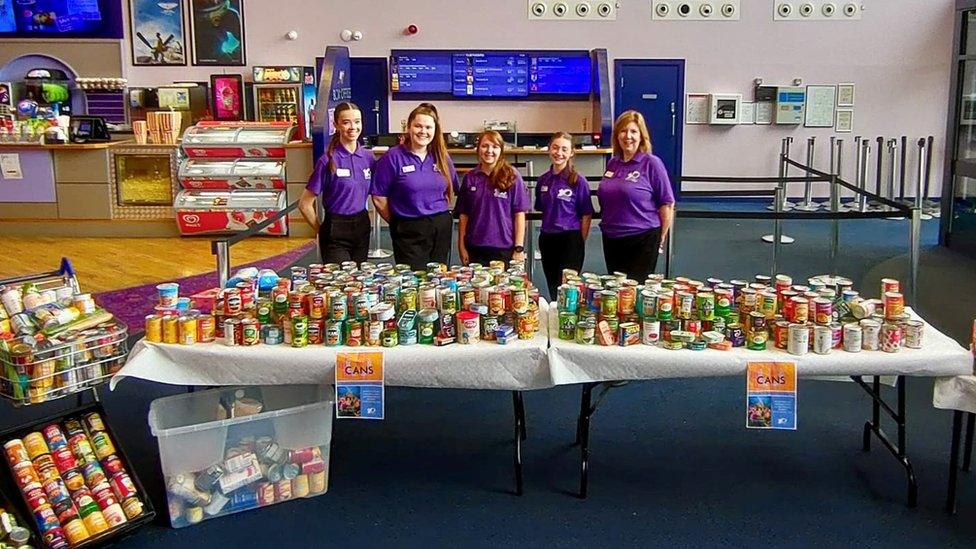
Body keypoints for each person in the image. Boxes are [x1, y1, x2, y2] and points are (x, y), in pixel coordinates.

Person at [372, 104, 457, 270]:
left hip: (440, 227)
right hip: (408, 228)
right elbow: (379, 197)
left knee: (438, 280)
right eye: (418, 126)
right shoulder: (393, 157)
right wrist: (398, 222)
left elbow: (450, 189)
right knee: (414, 281)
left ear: (435, 130)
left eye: (428, 127)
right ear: (408, 127)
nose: (423, 131)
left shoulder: (441, 156)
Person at [597, 110, 675, 282]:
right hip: (611, 237)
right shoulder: (613, 163)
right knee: (616, 293)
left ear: (641, 136)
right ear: (617, 136)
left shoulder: (652, 163)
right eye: (623, 131)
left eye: (633, 131)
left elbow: (667, 203)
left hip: (642, 238)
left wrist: (661, 236)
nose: (628, 136)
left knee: (635, 293)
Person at [299, 102, 374, 264]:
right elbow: (305, 204)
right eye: (346, 122)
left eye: (357, 121)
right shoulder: (327, 160)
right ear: (336, 125)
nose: (353, 127)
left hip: (362, 226)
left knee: (359, 281)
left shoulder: (368, 158)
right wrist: (322, 231)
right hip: (335, 228)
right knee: (341, 283)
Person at [535, 131, 594, 300]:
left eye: (564, 149)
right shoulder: (543, 181)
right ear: (549, 149)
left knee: (569, 289)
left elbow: (586, 214)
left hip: (570, 240)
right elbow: (541, 208)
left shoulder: (578, 181)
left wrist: (579, 242)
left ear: (571, 153)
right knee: (553, 287)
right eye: (555, 148)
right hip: (547, 239)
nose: (559, 153)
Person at [456, 131, 530, 265]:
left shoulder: (512, 176)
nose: (489, 151)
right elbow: (463, 216)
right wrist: (461, 247)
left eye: (495, 147)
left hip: (504, 249)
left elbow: (519, 214)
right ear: (478, 149)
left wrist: (518, 249)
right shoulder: (470, 178)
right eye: (485, 146)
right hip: (475, 248)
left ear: (501, 150)